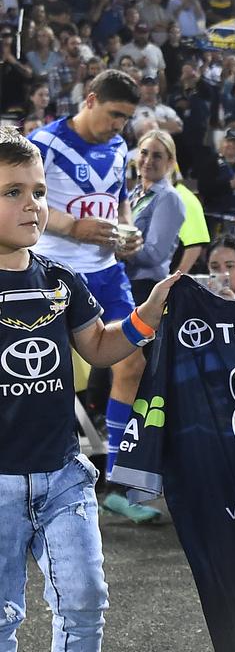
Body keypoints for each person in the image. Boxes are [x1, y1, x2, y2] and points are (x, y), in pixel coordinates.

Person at [0, 127, 178, 652]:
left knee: (85, 597)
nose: (33, 204)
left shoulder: (62, 280)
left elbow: (101, 348)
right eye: (12, 192)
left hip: (64, 473)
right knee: (1, 613)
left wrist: (149, 316)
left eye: (39, 192)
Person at [27, 70, 157, 523]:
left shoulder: (119, 148)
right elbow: (25, 202)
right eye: (114, 114)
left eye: (126, 117)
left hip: (106, 273)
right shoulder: (43, 143)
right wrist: (73, 227)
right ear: (91, 99)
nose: (119, 125)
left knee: (133, 362)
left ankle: (117, 481)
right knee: (39, 375)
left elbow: (118, 200)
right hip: (51, 272)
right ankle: (32, 480)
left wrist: (128, 232)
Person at [102, 130, 186, 520]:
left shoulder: (169, 197)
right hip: (124, 287)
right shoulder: (135, 195)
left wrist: (111, 247)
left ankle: (129, 486)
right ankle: (122, 483)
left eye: (158, 155)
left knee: (137, 381)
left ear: (170, 161)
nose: (149, 160)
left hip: (146, 291)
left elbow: (153, 252)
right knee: (126, 379)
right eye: (144, 153)